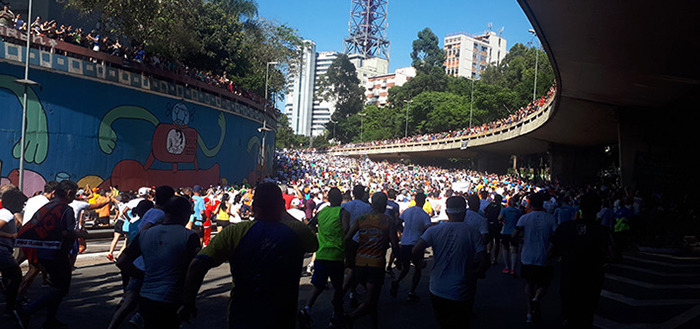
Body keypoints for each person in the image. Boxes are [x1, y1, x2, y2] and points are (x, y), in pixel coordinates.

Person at [178, 183, 318, 328]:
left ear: (254, 204)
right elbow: (314, 244)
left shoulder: (234, 232)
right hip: (281, 316)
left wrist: (188, 303)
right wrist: (283, 210)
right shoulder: (298, 231)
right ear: (281, 204)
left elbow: (197, 265)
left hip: (242, 315)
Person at [117, 196, 200, 329]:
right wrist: (189, 302)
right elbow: (195, 269)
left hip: (146, 297)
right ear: (184, 214)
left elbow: (122, 261)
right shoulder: (189, 236)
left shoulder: (145, 234)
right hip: (172, 298)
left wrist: (142, 276)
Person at [412, 196, 489, 329]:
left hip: (437, 288)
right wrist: (477, 274)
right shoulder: (472, 232)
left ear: (447, 212)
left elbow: (415, 250)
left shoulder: (433, 230)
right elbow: (485, 260)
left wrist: (419, 263)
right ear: (464, 212)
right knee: (462, 323)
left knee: (443, 323)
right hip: (463, 289)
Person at [15, 180, 84, 329]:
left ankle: (50, 319)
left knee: (56, 287)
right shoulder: (66, 209)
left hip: (42, 250)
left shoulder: (47, 206)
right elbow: (67, 232)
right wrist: (81, 234)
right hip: (57, 252)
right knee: (62, 289)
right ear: (69, 193)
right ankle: (28, 311)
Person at [550, 192, 618, 329]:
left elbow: (550, 253)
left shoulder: (564, 228)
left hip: (569, 278)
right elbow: (614, 256)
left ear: (580, 208)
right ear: (598, 209)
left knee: (568, 316)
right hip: (592, 280)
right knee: (587, 316)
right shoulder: (602, 231)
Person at [344, 192, 400, 329]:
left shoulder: (361, 219)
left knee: (372, 300)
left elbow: (347, 239)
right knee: (371, 301)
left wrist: (350, 257)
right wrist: (399, 260)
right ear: (385, 204)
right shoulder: (388, 221)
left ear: (372, 203)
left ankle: (374, 325)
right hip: (376, 264)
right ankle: (350, 318)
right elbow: (394, 243)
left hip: (360, 263)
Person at [298, 188, 350, 329]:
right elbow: (346, 230)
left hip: (321, 253)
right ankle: (335, 315)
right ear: (340, 199)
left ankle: (307, 308)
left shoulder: (322, 212)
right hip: (336, 254)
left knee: (318, 286)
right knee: (338, 288)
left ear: (328, 199)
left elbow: (311, 226)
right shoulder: (343, 212)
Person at [512, 192, 558, 324]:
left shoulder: (524, 218)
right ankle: (537, 298)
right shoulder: (550, 218)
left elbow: (514, 235)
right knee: (543, 284)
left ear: (530, 203)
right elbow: (556, 237)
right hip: (544, 256)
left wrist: (522, 241)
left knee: (529, 283)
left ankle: (529, 312)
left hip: (527, 256)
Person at [390, 192, 431, 301]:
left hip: (405, 242)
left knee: (405, 268)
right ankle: (411, 292)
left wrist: (402, 231)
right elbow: (428, 229)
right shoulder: (424, 215)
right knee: (418, 268)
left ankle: (397, 281)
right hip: (417, 243)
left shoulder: (407, 211)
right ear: (424, 201)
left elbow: (398, 221)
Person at [340, 185, 372, 306]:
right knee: (355, 267)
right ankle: (347, 292)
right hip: (360, 240)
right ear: (363, 194)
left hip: (347, 239)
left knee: (351, 265)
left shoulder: (344, 206)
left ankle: (350, 290)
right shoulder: (367, 207)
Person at [0, 187, 27, 322]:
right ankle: (9, 307)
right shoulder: (7, 215)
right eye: (21, 204)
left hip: (4, 249)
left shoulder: (3, 212)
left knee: (9, 276)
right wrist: (11, 235)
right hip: (2, 250)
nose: (22, 207)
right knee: (16, 277)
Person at [498, 197, 522, 275]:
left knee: (505, 248)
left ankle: (506, 267)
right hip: (514, 232)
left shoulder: (504, 210)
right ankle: (513, 269)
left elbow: (499, 218)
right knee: (514, 250)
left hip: (505, 231)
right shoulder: (517, 211)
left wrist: (502, 221)